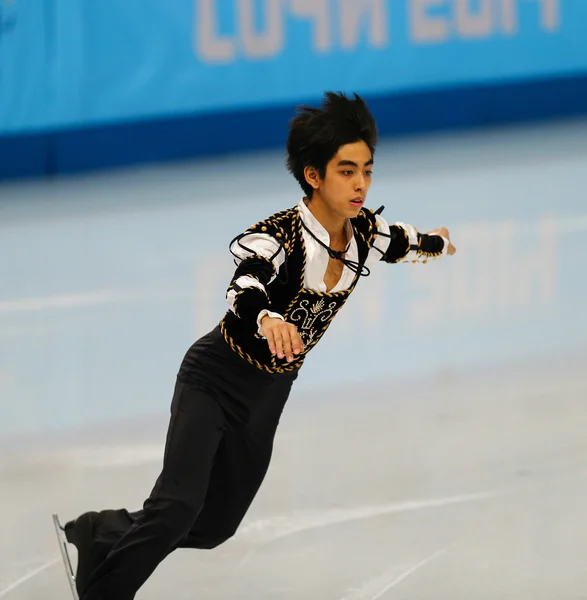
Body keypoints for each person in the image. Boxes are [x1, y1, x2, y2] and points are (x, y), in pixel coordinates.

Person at [60, 91, 456, 600]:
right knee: (175, 508)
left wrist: (439, 243)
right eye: (346, 170)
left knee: (211, 527)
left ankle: (100, 532)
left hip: (267, 397)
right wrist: (267, 317)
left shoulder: (365, 232)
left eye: (367, 170)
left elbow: (404, 241)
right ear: (313, 176)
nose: (360, 184)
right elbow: (244, 284)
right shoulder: (279, 235)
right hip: (215, 376)